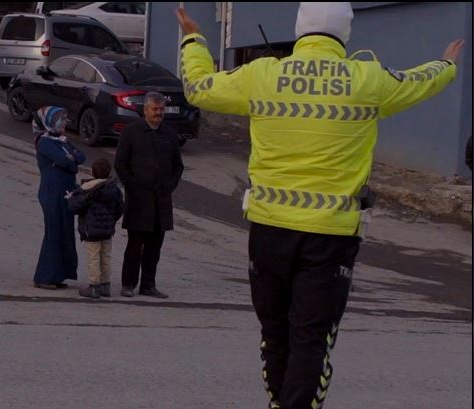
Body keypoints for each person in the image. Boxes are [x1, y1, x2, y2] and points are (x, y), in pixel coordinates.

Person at [176, 3, 464, 408]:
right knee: (311, 339)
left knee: (275, 334)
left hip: (269, 229)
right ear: (345, 34)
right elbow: (419, 81)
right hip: (331, 236)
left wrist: (193, 38)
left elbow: (198, 88)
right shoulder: (367, 78)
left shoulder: (263, 75)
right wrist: (447, 65)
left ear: (299, 30)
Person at [114, 92, 184, 299]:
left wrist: (169, 186)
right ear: (145, 110)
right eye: (155, 109)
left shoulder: (170, 134)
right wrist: (132, 185)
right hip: (138, 200)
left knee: (154, 247)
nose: (159, 113)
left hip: (161, 201)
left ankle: (148, 285)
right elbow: (120, 163)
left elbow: (178, 165)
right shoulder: (131, 132)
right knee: (135, 246)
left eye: (162, 109)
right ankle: (128, 284)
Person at [33, 106, 87, 290]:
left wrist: (70, 159)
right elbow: (65, 161)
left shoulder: (62, 141)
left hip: (66, 193)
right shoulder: (44, 142)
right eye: (61, 120)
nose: (65, 123)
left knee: (64, 232)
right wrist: (70, 160)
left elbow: (81, 156)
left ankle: (59, 275)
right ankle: (44, 276)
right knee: (53, 232)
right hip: (52, 192)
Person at [67, 158, 124, 299]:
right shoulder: (114, 189)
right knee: (106, 257)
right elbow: (119, 209)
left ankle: (94, 285)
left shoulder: (88, 189)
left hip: (91, 230)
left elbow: (74, 207)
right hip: (107, 230)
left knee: (93, 257)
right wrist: (111, 220)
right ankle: (106, 285)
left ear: (93, 172)